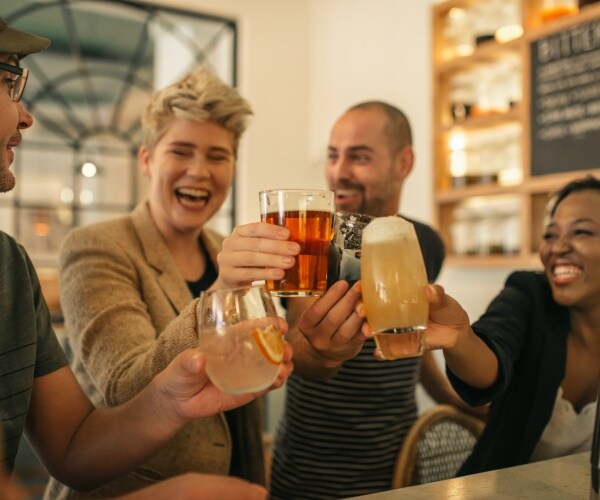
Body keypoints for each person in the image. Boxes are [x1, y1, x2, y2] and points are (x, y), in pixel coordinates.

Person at [0, 18, 291, 500]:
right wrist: (219, 295)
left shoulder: (230, 250)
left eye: (218, 156)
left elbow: (74, 444)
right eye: (181, 151)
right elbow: (120, 385)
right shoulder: (97, 246)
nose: (199, 170)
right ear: (147, 160)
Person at [266, 101, 478, 498]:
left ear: (404, 162)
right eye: (333, 155)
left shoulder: (423, 242)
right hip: (310, 477)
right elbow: (303, 349)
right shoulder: (313, 239)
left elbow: (413, 336)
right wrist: (322, 353)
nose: (339, 171)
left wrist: (459, 400)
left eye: (358, 157)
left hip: (398, 470)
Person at [411, 175, 600, 475]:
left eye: (582, 231)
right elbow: (491, 362)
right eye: (550, 235)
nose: (557, 248)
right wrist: (461, 339)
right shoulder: (529, 295)